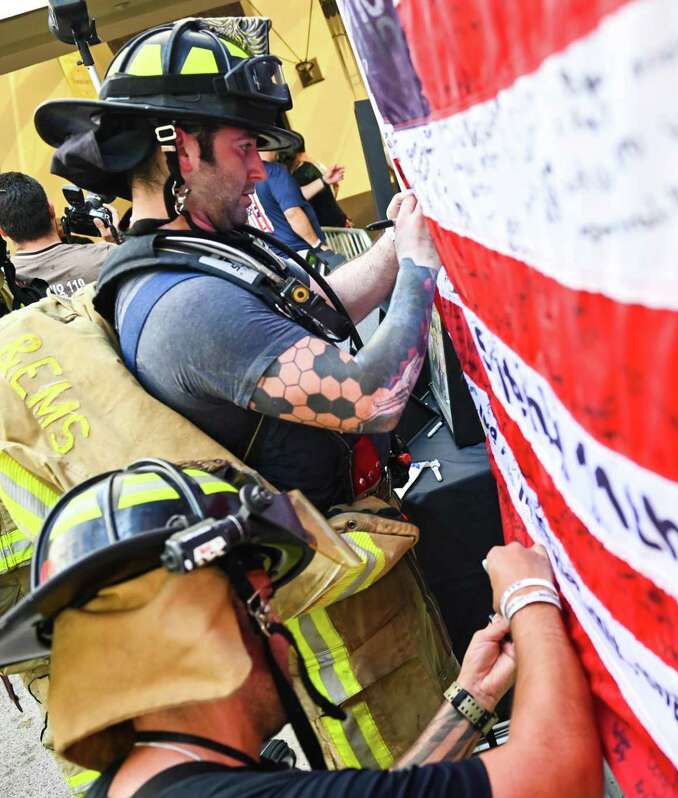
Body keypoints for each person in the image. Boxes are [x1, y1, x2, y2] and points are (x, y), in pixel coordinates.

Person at [34, 19, 458, 768]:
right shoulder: (185, 307)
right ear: (179, 148)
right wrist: (421, 269)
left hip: (359, 574)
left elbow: (314, 309)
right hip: (342, 638)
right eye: (243, 148)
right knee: (414, 772)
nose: (261, 172)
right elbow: (376, 395)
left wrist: (396, 246)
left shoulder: (191, 261)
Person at [0, 461, 602, 798]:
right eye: (266, 602)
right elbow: (559, 775)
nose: (283, 633)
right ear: (201, 626)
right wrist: (530, 596)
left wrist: (471, 703)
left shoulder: (155, 782)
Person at [0, 171, 114, 296]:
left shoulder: (6, 288)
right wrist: (119, 245)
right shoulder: (109, 256)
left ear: (2, 232)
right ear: (51, 209)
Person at [255, 150, 344, 267]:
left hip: (276, 258)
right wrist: (317, 245)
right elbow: (292, 212)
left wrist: (323, 181)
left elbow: (292, 196)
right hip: (302, 252)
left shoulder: (243, 177)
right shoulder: (274, 171)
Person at [282, 144, 350, 228]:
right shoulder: (310, 165)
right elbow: (335, 187)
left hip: (332, 230)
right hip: (338, 224)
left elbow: (294, 198)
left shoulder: (299, 175)